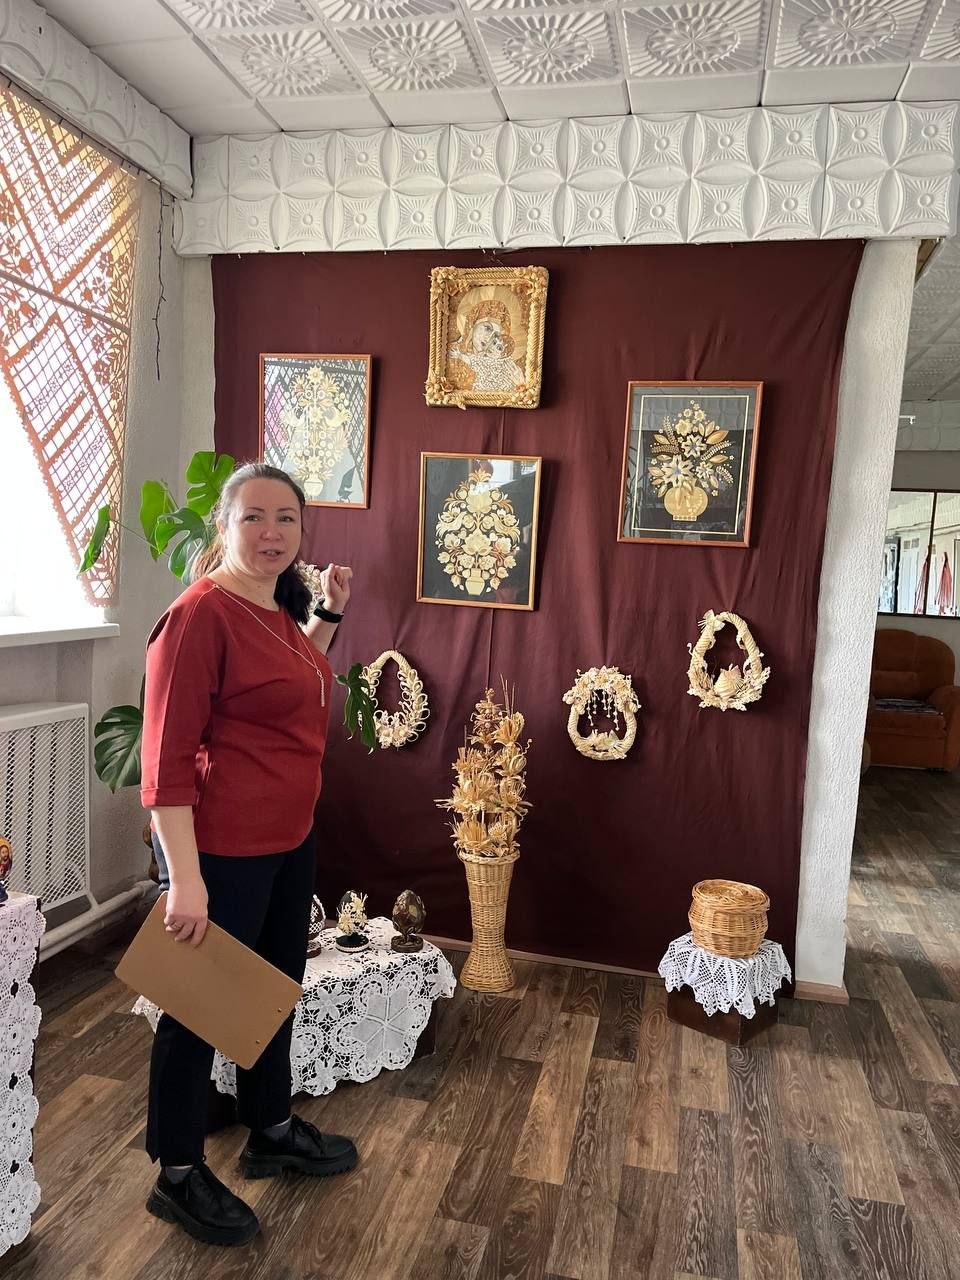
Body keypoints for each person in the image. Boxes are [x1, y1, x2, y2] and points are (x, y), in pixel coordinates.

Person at [139, 461, 357, 1247]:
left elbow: (296, 678)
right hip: (221, 852)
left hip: (288, 839)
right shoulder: (200, 614)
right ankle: (177, 1173)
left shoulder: (273, 607)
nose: (271, 533)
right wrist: (185, 881)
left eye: (286, 519)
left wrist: (329, 612)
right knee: (197, 1009)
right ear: (224, 526)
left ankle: (269, 1127)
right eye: (254, 517)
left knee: (271, 990)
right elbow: (164, 763)